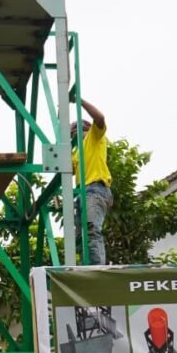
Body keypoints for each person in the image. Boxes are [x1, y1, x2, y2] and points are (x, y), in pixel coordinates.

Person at [71, 98, 111, 265]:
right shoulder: (76, 151)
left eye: (75, 127)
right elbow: (65, 171)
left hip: (95, 189)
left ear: (87, 127)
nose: (73, 130)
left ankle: (96, 269)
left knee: (91, 229)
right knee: (81, 236)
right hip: (82, 193)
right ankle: (87, 267)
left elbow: (100, 118)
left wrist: (79, 101)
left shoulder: (94, 137)